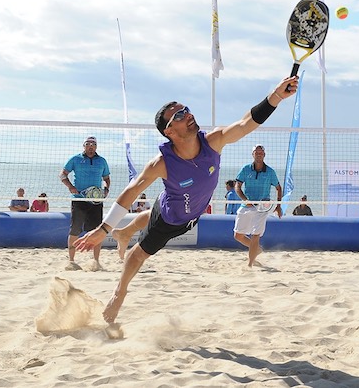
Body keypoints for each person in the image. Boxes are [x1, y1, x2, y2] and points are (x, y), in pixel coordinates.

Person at [73, 76, 298, 324]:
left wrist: (276, 96)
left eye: (186, 110)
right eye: (178, 115)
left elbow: (246, 124)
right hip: (170, 218)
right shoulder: (162, 163)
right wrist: (104, 229)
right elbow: (131, 191)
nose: (187, 115)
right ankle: (119, 293)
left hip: (187, 209)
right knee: (138, 255)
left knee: (153, 213)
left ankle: (125, 232)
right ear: (169, 131)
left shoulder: (213, 141)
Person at [60, 136, 111, 271]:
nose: (90, 146)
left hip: (96, 200)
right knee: (75, 230)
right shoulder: (75, 159)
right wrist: (70, 186)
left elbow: (106, 178)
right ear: (84, 146)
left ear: (96, 147)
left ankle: (96, 262)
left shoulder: (102, 161)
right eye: (88, 144)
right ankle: (71, 262)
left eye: (93, 144)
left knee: (97, 231)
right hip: (79, 200)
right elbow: (62, 175)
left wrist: (106, 189)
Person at [233, 144, 283, 267]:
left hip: (262, 206)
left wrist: (278, 206)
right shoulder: (246, 169)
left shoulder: (270, 172)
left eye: (261, 152)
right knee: (238, 235)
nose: (259, 154)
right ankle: (256, 249)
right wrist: (245, 200)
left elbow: (278, 188)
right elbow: (237, 186)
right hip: (248, 205)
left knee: (256, 234)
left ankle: (250, 264)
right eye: (257, 152)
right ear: (253, 154)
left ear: (264, 155)